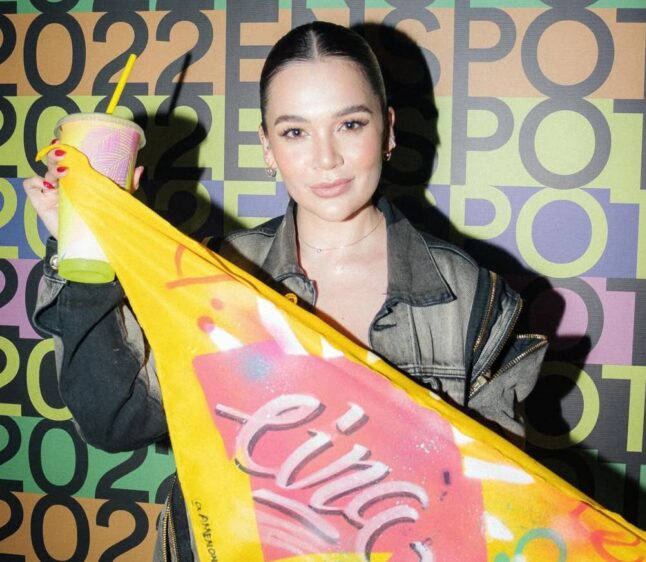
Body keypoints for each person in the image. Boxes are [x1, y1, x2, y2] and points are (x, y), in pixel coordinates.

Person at [23, 21, 547, 561]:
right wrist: (86, 249)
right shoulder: (216, 274)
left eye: (350, 124)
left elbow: (501, 508)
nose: (326, 158)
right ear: (267, 147)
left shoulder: (468, 297)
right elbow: (115, 421)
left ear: (388, 131)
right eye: (295, 132)